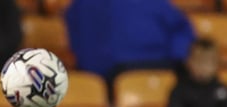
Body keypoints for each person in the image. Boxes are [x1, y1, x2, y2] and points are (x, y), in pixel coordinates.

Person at [65, 0, 194, 92]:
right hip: (114, 70)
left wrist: (178, 58)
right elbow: (79, 40)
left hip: (161, 64)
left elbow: (181, 28)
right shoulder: (85, 5)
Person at [167, 38, 227, 107]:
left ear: (217, 64)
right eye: (199, 61)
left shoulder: (223, 91)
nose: (203, 67)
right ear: (189, 62)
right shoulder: (179, 91)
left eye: (208, 62)